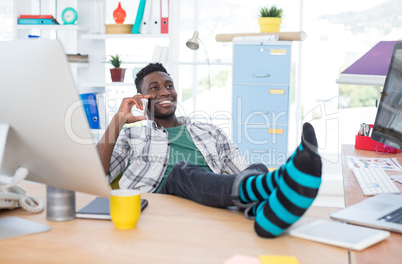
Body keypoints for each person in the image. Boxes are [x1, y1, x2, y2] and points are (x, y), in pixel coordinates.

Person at [97, 63, 322, 238]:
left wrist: (259, 174)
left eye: (169, 85)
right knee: (182, 172)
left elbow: (243, 169)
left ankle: (265, 216)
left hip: (208, 202)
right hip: (161, 205)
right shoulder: (131, 135)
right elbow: (96, 174)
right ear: (140, 100)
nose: (165, 92)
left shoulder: (209, 131)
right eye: (154, 88)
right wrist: (117, 120)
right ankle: (279, 184)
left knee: (258, 168)